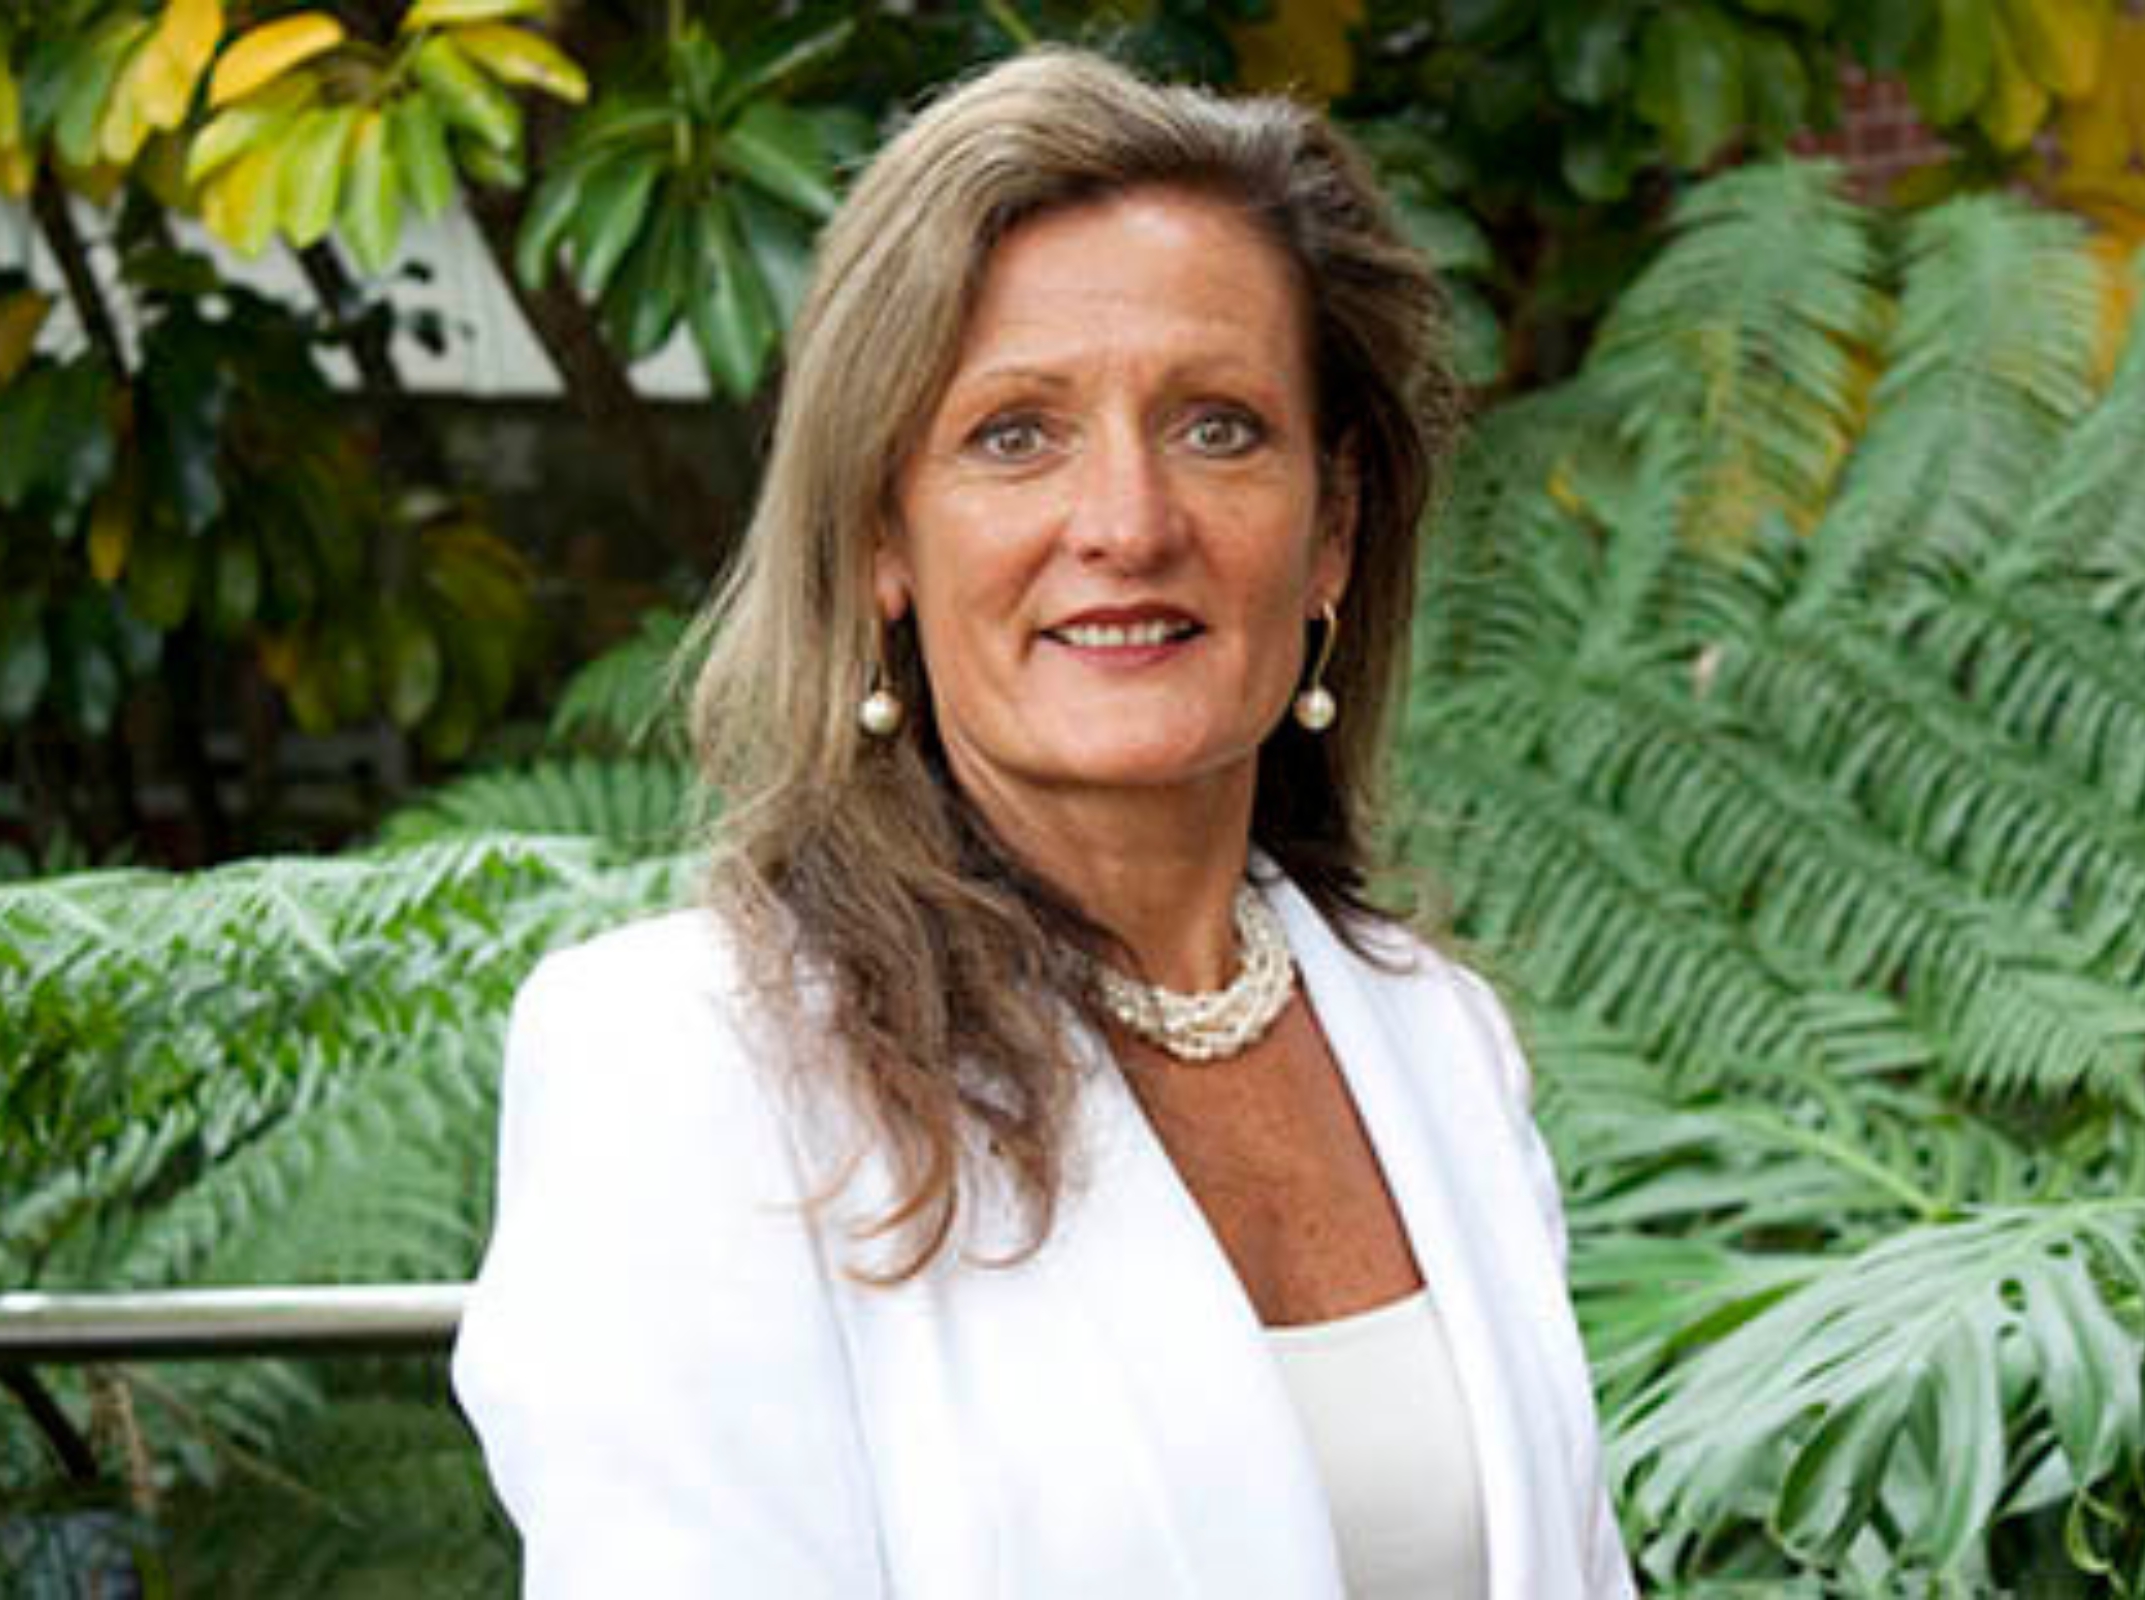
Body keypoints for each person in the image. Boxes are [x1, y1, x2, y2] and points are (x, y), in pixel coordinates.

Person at [454, 46, 1634, 1600]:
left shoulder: (1436, 1039)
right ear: (882, 531)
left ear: (1332, 529)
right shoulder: (693, 1062)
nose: (1130, 524)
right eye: (1016, 434)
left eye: (1218, 426)